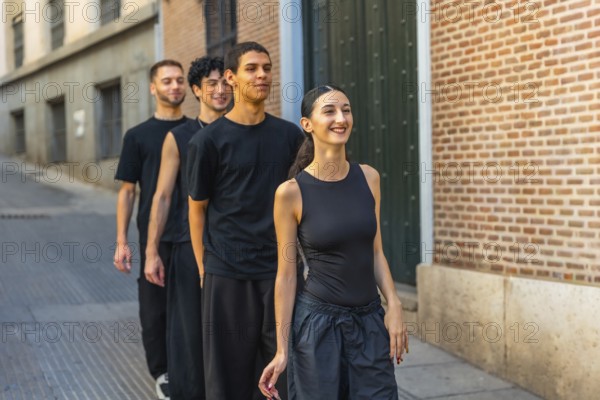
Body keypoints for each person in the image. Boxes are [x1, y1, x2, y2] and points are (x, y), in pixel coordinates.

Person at [258, 85, 409, 400]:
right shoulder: (290, 193)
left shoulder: (369, 178)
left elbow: (376, 251)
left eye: (346, 109)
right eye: (329, 111)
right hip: (317, 328)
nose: (341, 118)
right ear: (307, 124)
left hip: (369, 321)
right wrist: (282, 350)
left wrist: (393, 305)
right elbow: (286, 275)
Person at [186, 42, 304, 400]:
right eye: (252, 68)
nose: (262, 75)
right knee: (227, 379)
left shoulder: (290, 137)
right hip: (227, 273)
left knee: (284, 377)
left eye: (267, 68)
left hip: (279, 273)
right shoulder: (208, 141)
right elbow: (197, 208)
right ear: (231, 78)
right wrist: (205, 269)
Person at [144, 56, 231, 399]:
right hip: (186, 244)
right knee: (191, 330)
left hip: (233, 247)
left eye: (226, 83)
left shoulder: (241, 131)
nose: (221, 90)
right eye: (211, 84)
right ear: (196, 90)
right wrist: (152, 250)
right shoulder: (178, 137)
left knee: (230, 330)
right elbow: (162, 196)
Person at [113, 59, 187, 400]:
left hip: (194, 235)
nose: (175, 86)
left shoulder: (199, 129)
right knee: (154, 310)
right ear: (153, 87)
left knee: (190, 306)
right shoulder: (138, 136)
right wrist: (121, 242)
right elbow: (127, 191)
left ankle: (190, 366)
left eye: (180, 80)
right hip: (154, 238)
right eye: (167, 81)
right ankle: (163, 373)